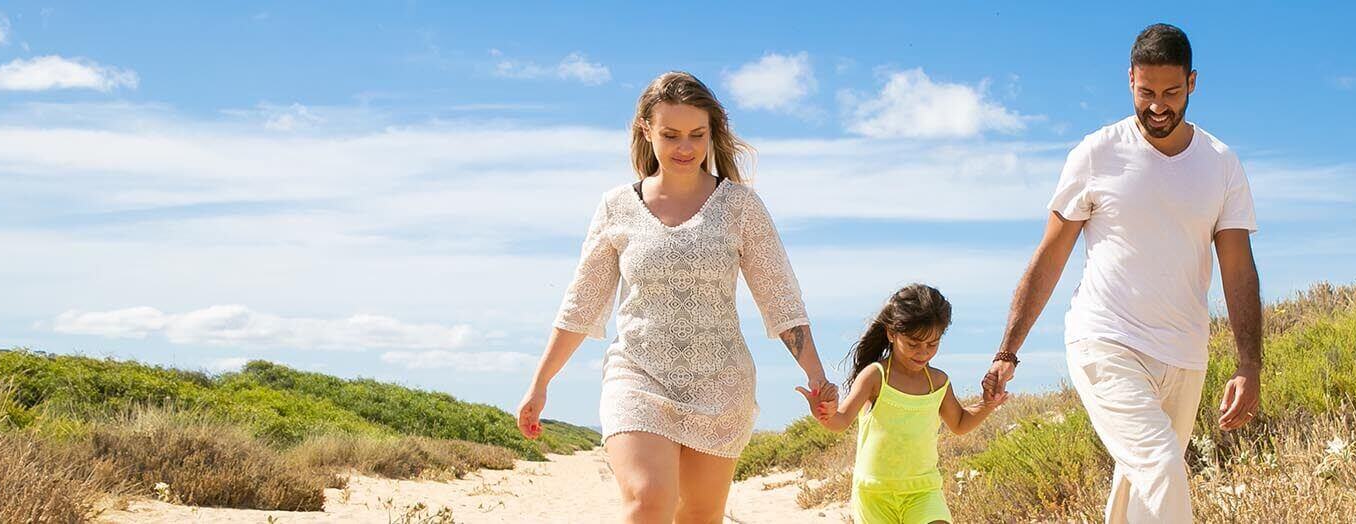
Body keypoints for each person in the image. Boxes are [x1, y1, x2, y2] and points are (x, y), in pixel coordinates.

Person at [514, 71, 837, 524]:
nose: (684, 147)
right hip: (638, 374)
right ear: (646, 131)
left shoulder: (741, 206)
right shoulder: (616, 207)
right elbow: (581, 303)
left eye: (696, 135)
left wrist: (817, 376)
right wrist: (540, 382)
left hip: (720, 382)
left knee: (699, 517)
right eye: (670, 135)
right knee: (649, 500)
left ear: (712, 133)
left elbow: (780, 298)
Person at [980, 23, 1266, 523]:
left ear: (1193, 83)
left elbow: (1238, 269)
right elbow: (1050, 255)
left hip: (1184, 351)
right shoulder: (1096, 154)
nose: (1158, 106)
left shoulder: (1221, 164)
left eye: (1172, 93)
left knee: (1142, 486)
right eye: (1146, 92)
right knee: (1160, 467)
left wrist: (1249, 364)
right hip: (1105, 339)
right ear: (1129, 79)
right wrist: (1009, 349)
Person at [805, 284, 1009, 524]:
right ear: (892, 334)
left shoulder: (938, 382)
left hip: (923, 491)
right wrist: (824, 412)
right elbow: (840, 421)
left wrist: (987, 405)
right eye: (913, 344)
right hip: (874, 494)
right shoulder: (875, 376)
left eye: (932, 344)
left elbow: (960, 423)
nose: (923, 352)